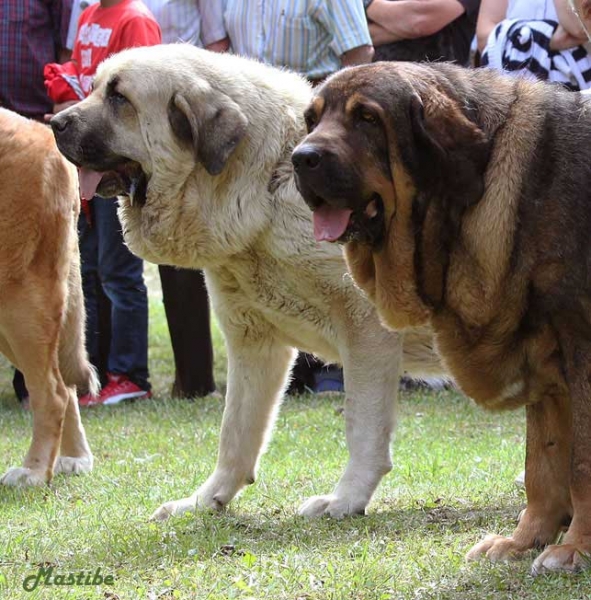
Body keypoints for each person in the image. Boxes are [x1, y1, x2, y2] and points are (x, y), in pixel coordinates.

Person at [211, 0, 373, 393]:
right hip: (254, 137)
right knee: (270, 249)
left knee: (325, 244)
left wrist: (332, 124)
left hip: (316, 128)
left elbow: (359, 55)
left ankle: (333, 367)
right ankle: (295, 365)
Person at [47, 0, 161, 406]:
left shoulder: (136, 19)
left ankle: (130, 375)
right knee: (89, 271)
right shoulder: (89, 14)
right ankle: (91, 373)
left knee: (120, 273)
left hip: (120, 163)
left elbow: (146, 101)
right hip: (89, 156)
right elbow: (81, 77)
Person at [135, 0, 226, 398]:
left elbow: (218, 45)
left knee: (194, 243)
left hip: (189, 120)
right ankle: (189, 378)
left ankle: (200, 377)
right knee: (171, 258)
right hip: (136, 122)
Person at [1, 0, 74, 406]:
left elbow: (66, 52)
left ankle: (40, 390)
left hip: (34, 129)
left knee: (22, 278)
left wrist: (59, 111)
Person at [476, 0, 591, 89]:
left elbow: (579, 27)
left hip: (576, 92)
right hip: (512, 92)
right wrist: (542, 37)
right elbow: (484, 38)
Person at [364, 0, 481, 65]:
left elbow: (420, 20)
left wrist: (363, 4)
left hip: (439, 89)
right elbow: (358, 34)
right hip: (373, 84)